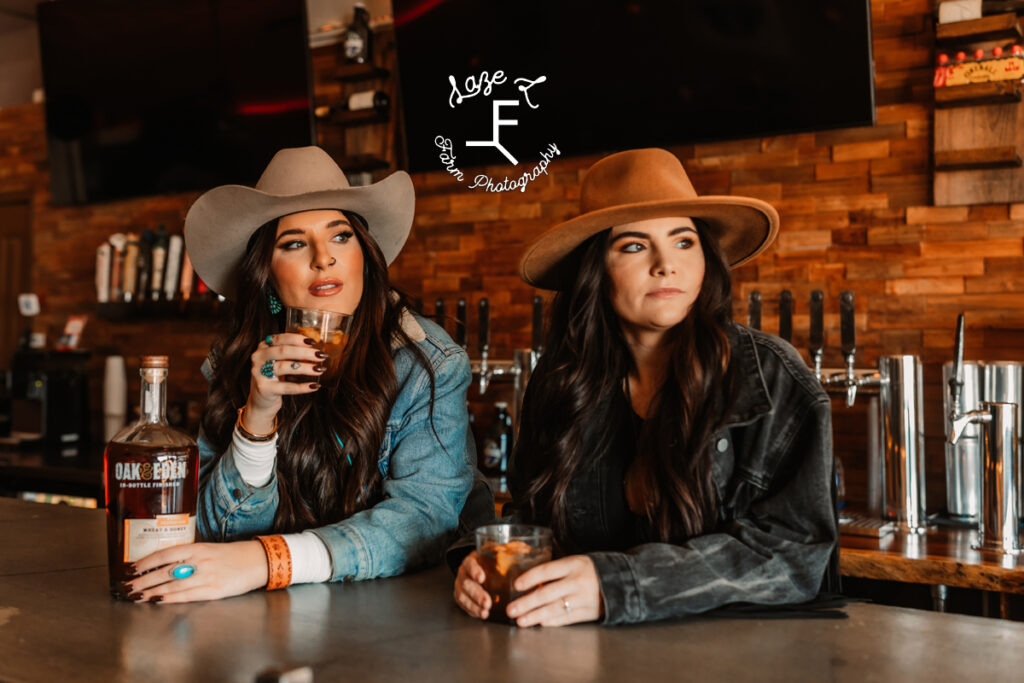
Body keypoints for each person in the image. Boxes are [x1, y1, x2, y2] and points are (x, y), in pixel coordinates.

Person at [453, 148, 837, 626]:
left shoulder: (771, 377)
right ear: (596, 270)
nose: (665, 264)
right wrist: (487, 567)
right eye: (634, 246)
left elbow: (792, 559)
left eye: (683, 242)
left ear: (705, 257)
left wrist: (616, 584)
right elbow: (536, 529)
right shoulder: (561, 382)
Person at [122, 146, 490, 603]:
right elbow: (217, 528)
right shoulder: (237, 362)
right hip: (275, 623)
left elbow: (423, 519)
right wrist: (257, 415)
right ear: (268, 279)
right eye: (294, 243)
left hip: (400, 621)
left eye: (341, 237)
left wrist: (268, 560)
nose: (323, 257)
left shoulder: (427, 363)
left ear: (365, 256)